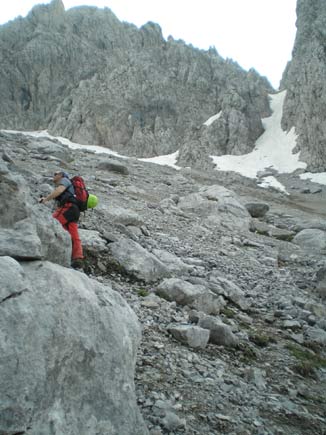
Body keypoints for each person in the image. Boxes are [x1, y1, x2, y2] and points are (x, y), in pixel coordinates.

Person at [39, 171, 84, 269]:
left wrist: (46, 199)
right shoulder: (70, 185)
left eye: (56, 174)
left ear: (61, 175)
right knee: (72, 233)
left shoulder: (64, 180)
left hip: (68, 208)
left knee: (52, 224)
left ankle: (44, 249)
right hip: (74, 211)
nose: (54, 175)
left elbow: (59, 191)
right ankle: (77, 258)